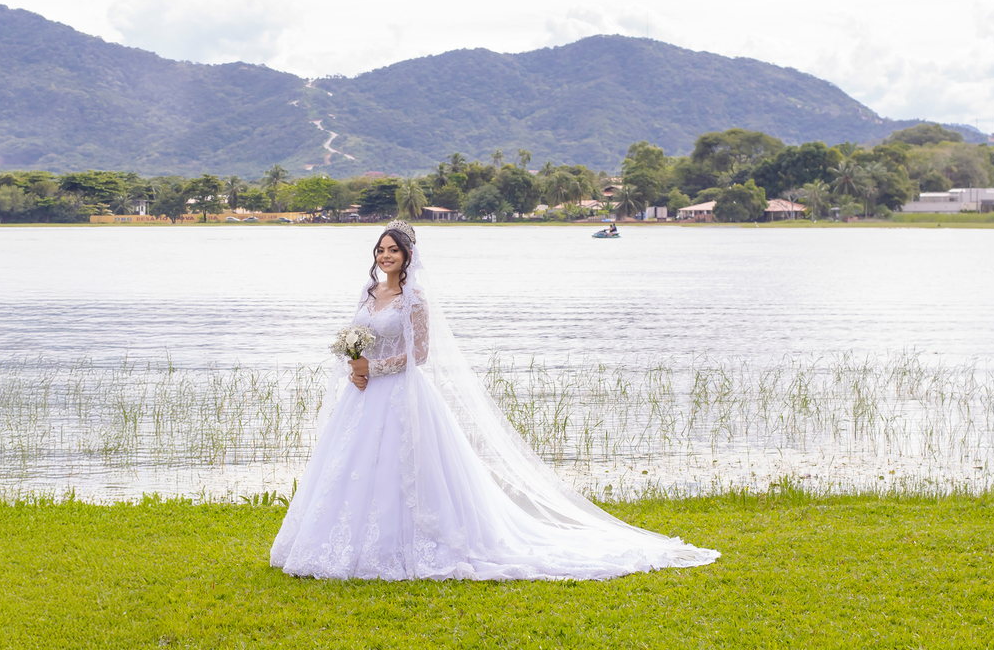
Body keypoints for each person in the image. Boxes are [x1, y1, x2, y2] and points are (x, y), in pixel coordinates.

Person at [270, 220, 718, 580]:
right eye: (380, 250)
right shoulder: (369, 293)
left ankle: (410, 545)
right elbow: (359, 336)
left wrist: (376, 368)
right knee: (350, 465)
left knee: (403, 468)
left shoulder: (414, 299)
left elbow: (420, 355)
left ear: (407, 257)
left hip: (400, 393)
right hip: (363, 395)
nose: (385, 256)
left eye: (393, 250)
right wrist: (355, 363)